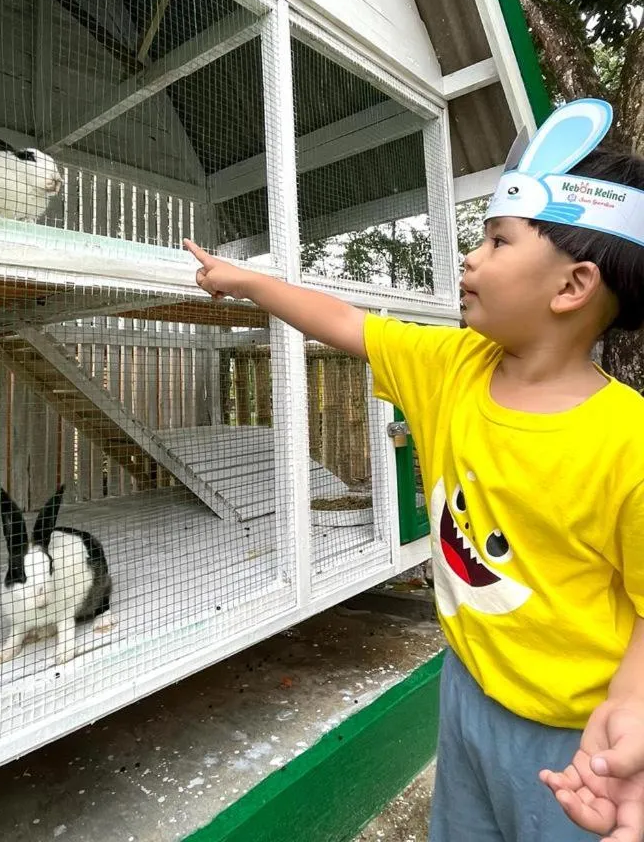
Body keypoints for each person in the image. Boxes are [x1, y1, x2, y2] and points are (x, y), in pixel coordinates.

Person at [183, 99, 644, 842]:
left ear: (571, 288)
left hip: (575, 739)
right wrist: (251, 283)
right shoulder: (450, 366)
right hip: (467, 686)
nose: (471, 256)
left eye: (496, 241)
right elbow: (345, 323)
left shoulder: (629, 444)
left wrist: (634, 703)